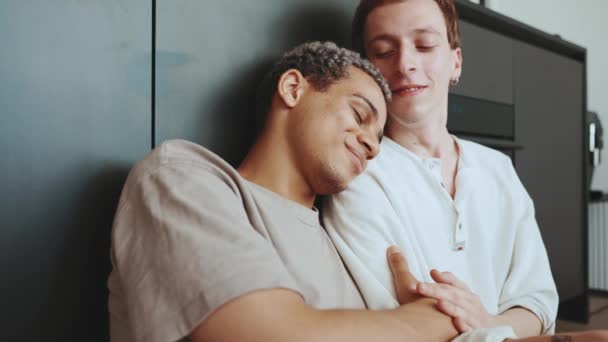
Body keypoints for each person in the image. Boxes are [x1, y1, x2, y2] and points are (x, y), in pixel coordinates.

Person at [106, 41, 467, 342]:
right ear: (293, 89)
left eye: (377, 138)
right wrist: (435, 321)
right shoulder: (179, 177)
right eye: (359, 115)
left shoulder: (344, 242)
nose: (372, 146)